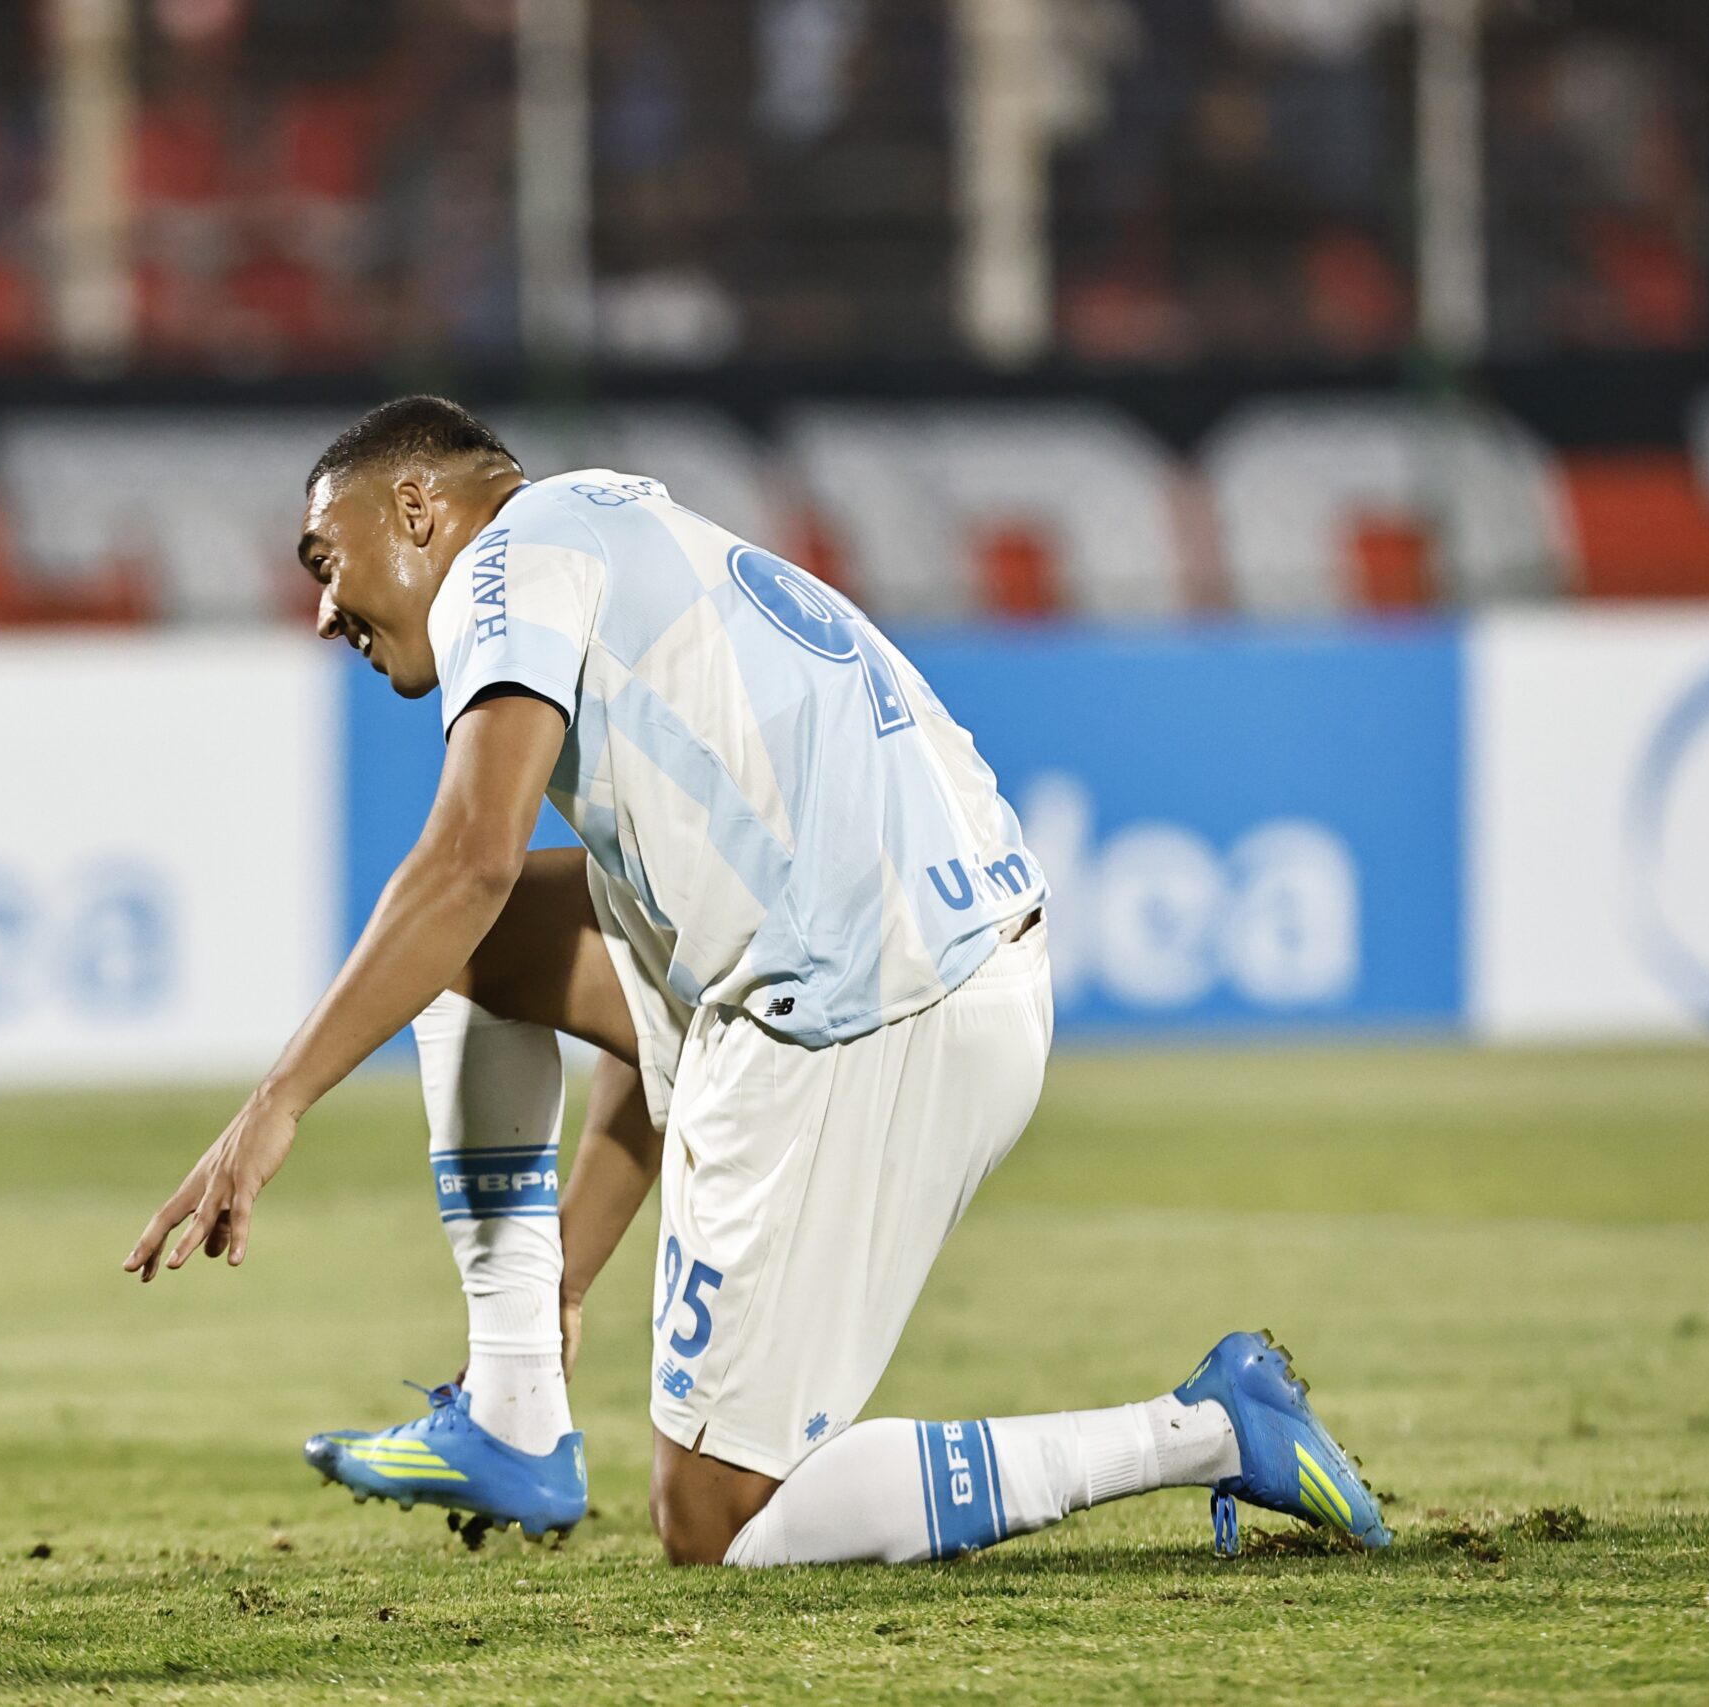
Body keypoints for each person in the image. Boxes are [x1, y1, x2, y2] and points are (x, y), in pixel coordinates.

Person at [124, 396, 1391, 1565]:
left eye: (322, 559)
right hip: (928, 956)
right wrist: (560, 1284)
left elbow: (467, 856)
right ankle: (512, 1409)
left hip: (871, 1006)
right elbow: (662, 1032)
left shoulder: (505, 564)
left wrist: (277, 1101)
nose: (324, 607)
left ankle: (1208, 1432)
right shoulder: (616, 538)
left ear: (415, 507)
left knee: (719, 1518)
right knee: (473, 951)